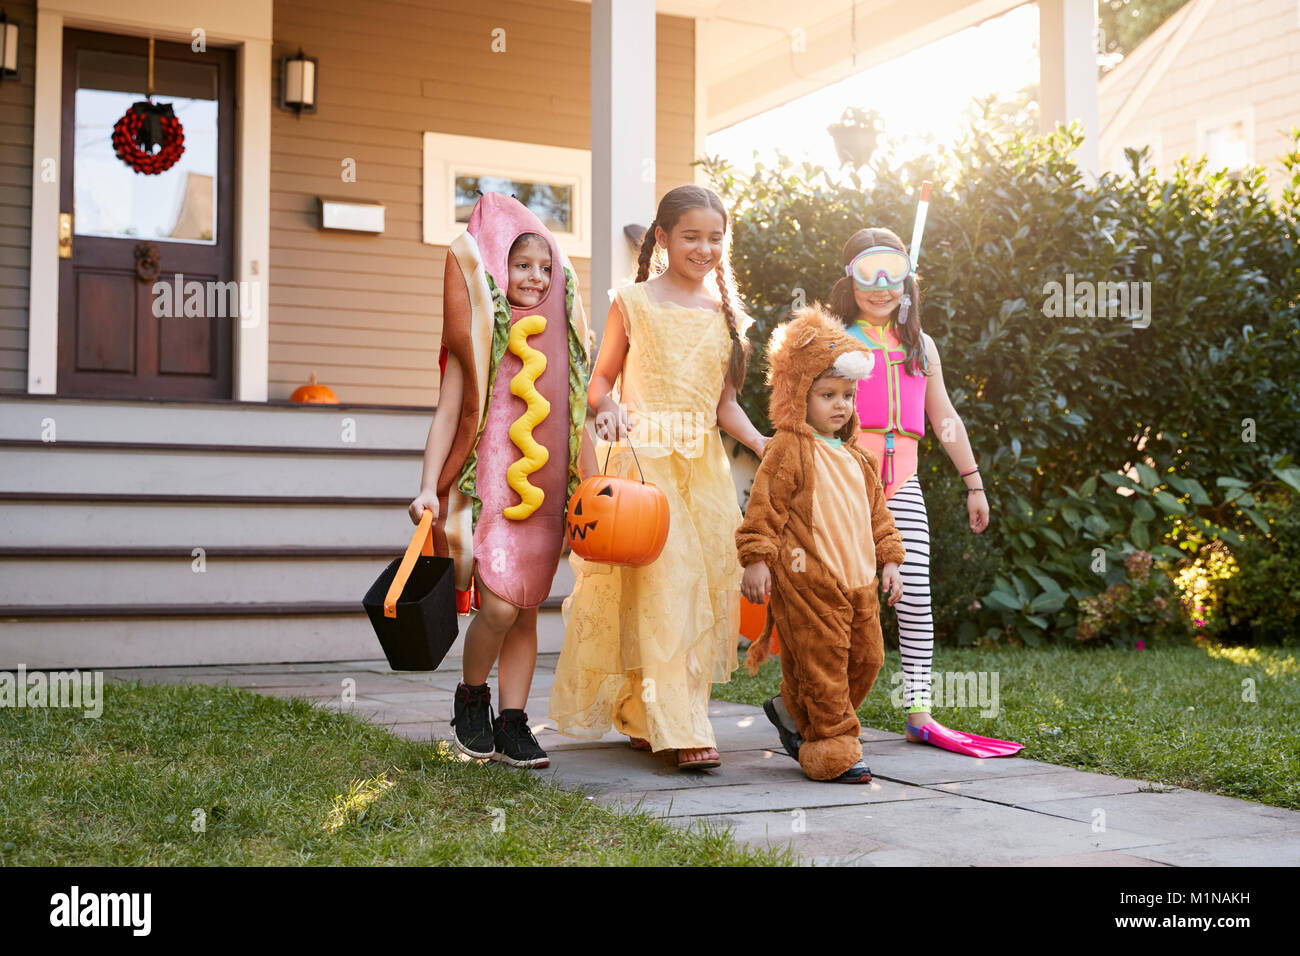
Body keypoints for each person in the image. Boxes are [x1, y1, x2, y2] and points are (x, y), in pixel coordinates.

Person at [548, 184, 768, 771]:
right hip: (645, 467)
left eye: (715, 238)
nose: (704, 248)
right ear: (663, 239)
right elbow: (599, 383)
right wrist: (608, 408)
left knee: (698, 594)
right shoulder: (633, 302)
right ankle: (684, 727)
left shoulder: (727, 316)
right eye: (691, 236)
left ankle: (650, 714)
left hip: (705, 472)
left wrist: (760, 441)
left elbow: (724, 404)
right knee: (663, 588)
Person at [823, 226, 1022, 757]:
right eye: (869, 271)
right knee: (841, 597)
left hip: (903, 485)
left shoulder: (920, 345)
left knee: (914, 598)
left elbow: (945, 418)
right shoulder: (833, 339)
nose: (881, 285)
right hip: (844, 483)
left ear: (908, 278)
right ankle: (827, 706)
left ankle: (919, 710)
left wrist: (973, 482)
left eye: (892, 270)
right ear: (849, 279)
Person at [409, 193, 592, 769]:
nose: (535, 278)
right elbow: (447, 414)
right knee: (499, 608)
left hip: (545, 499)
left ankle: (514, 720)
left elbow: (578, 415)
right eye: (520, 265)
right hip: (488, 495)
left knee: (529, 606)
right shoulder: (479, 338)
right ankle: (471, 696)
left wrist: (593, 486)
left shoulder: (563, 343)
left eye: (545, 267)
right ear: (495, 267)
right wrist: (426, 487)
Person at [737, 305, 905, 782]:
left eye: (847, 395)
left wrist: (890, 560)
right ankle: (831, 745)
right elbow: (764, 507)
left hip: (859, 582)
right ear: (798, 396)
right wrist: (757, 560)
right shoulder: (790, 448)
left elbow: (880, 517)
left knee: (868, 658)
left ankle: (792, 710)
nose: (840, 405)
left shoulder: (859, 459)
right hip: (809, 578)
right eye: (827, 394)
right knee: (822, 662)